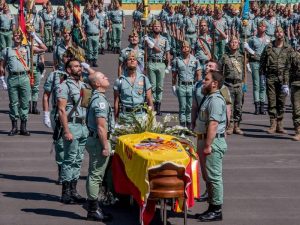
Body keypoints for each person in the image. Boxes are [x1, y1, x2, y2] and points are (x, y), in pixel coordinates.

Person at [0, 29, 47, 136]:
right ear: (12, 37)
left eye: (19, 35)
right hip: (12, 78)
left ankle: (23, 127)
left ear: (22, 37)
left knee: (25, 103)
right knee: (13, 103)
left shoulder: (28, 48)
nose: (17, 37)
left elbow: (44, 48)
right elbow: (2, 66)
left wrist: (35, 37)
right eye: (15, 35)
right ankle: (14, 127)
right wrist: (2, 79)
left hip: (24, 77)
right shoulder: (7, 50)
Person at [195, 70, 227, 222]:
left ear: (215, 83)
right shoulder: (209, 98)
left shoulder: (215, 100)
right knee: (208, 176)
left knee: (214, 177)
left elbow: (213, 124)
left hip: (212, 143)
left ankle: (217, 210)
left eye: (206, 79)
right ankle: (211, 207)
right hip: (204, 141)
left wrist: (207, 145)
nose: (203, 81)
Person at [57, 58, 89, 204]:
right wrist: (66, 130)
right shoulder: (64, 86)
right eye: (76, 66)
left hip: (83, 126)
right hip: (72, 125)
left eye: (80, 66)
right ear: (68, 70)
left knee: (78, 159)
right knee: (69, 159)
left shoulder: (83, 85)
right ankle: (66, 192)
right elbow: (61, 109)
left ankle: (74, 190)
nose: (79, 68)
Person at [85, 71, 114, 222]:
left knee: (95, 174)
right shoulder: (100, 101)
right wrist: (105, 146)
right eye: (103, 77)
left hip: (95, 139)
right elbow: (101, 127)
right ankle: (93, 209)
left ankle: (94, 206)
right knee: (96, 175)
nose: (107, 77)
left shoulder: (98, 97)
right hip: (98, 141)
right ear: (97, 84)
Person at [260, 26, 293, 134]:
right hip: (271, 77)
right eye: (276, 32)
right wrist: (262, 77)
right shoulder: (268, 47)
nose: (279, 34)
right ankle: (272, 124)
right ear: (274, 34)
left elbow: (292, 64)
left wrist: (290, 80)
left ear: (283, 34)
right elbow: (262, 62)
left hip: (284, 78)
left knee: (281, 101)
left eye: (280, 32)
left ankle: (280, 124)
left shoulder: (288, 48)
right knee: (271, 101)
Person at [114, 51, 153, 123]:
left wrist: (151, 118)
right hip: (125, 117)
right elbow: (116, 101)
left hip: (141, 116)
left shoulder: (144, 79)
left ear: (137, 63)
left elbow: (149, 100)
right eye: (129, 59)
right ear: (125, 63)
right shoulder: (120, 80)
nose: (132, 60)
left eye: (134, 59)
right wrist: (115, 119)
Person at [171, 41, 201, 128]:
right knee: (182, 107)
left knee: (190, 107)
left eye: (187, 47)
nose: (185, 49)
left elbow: (198, 74)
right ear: (181, 49)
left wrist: (198, 86)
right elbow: (174, 75)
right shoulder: (177, 60)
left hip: (192, 86)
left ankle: (189, 125)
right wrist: (173, 86)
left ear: (190, 49)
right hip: (181, 86)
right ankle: (182, 126)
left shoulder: (195, 60)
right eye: (183, 47)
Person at [219, 36, 245, 135]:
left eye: (236, 42)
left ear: (238, 45)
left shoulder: (242, 57)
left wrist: (248, 49)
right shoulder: (225, 57)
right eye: (232, 42)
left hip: (238, 84)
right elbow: (220, 70)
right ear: (229, 44)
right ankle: (230, 125)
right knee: (229, 106)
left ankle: (237, 126)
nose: (234, 44)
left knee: (238, 106)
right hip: (228, 84)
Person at [144, 19, 170, 115]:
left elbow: (167, 53)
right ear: (152, 27)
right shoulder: (148, 38)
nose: (156, 27)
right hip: (151, 63)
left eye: (158, 26)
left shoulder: (164, 39)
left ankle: (158, 105)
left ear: (161, 28)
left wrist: (168, 65)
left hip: (161, 64)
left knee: (160, 86)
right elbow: (146, 52)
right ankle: (153, 105)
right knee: (152, 86)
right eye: (155, 26)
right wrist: (145, 65)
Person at [245, 21, 270, 115]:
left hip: (265, 64)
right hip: (255, 63)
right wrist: (247, 63)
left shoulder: (269, 39)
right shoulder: (253, 39)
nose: (262, 27)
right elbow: (247, 51)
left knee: (263, 85)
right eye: (260, 26)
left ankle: (263, 106)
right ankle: (257, 106)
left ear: (266, 28)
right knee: (256, 85)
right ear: (257, 27)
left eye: (264, 26)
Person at [290, 46, 300, 141]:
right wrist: (285, 83)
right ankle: (298, 131)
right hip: (296, 84)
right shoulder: (294, 55)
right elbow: (287, 69)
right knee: (296, 109)